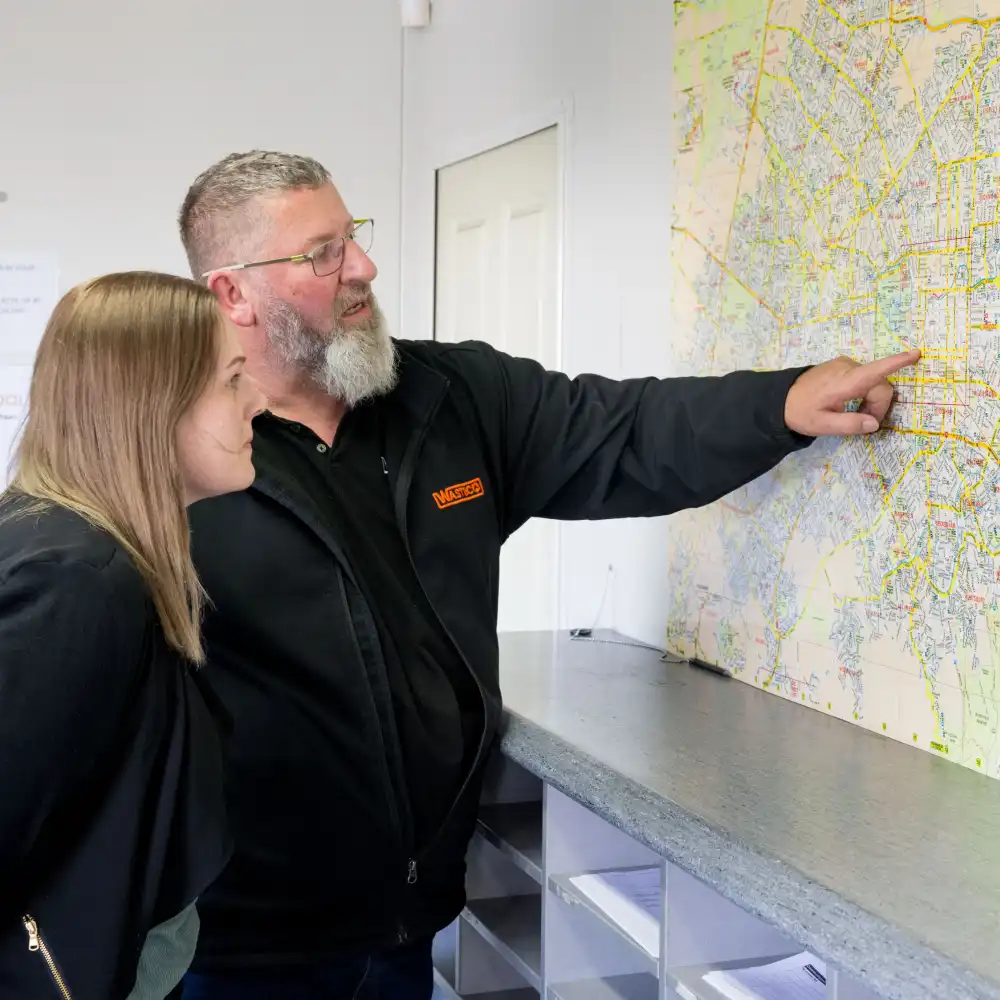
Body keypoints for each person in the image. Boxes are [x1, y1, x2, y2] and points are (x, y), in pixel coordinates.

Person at [175, 150, 921, 1000]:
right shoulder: (172, 447)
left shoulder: (450, 395)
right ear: (232, 293)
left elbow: (627, 430)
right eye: (322, 253)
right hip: (242, 945)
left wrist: (781, 405)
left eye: (353, 237)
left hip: (409, 921)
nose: (363, 268)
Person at [0, 271, 266, 1000]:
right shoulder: (77, 580)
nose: (260, 401)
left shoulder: (75, 542)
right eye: (234, 378)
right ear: (152, 404)